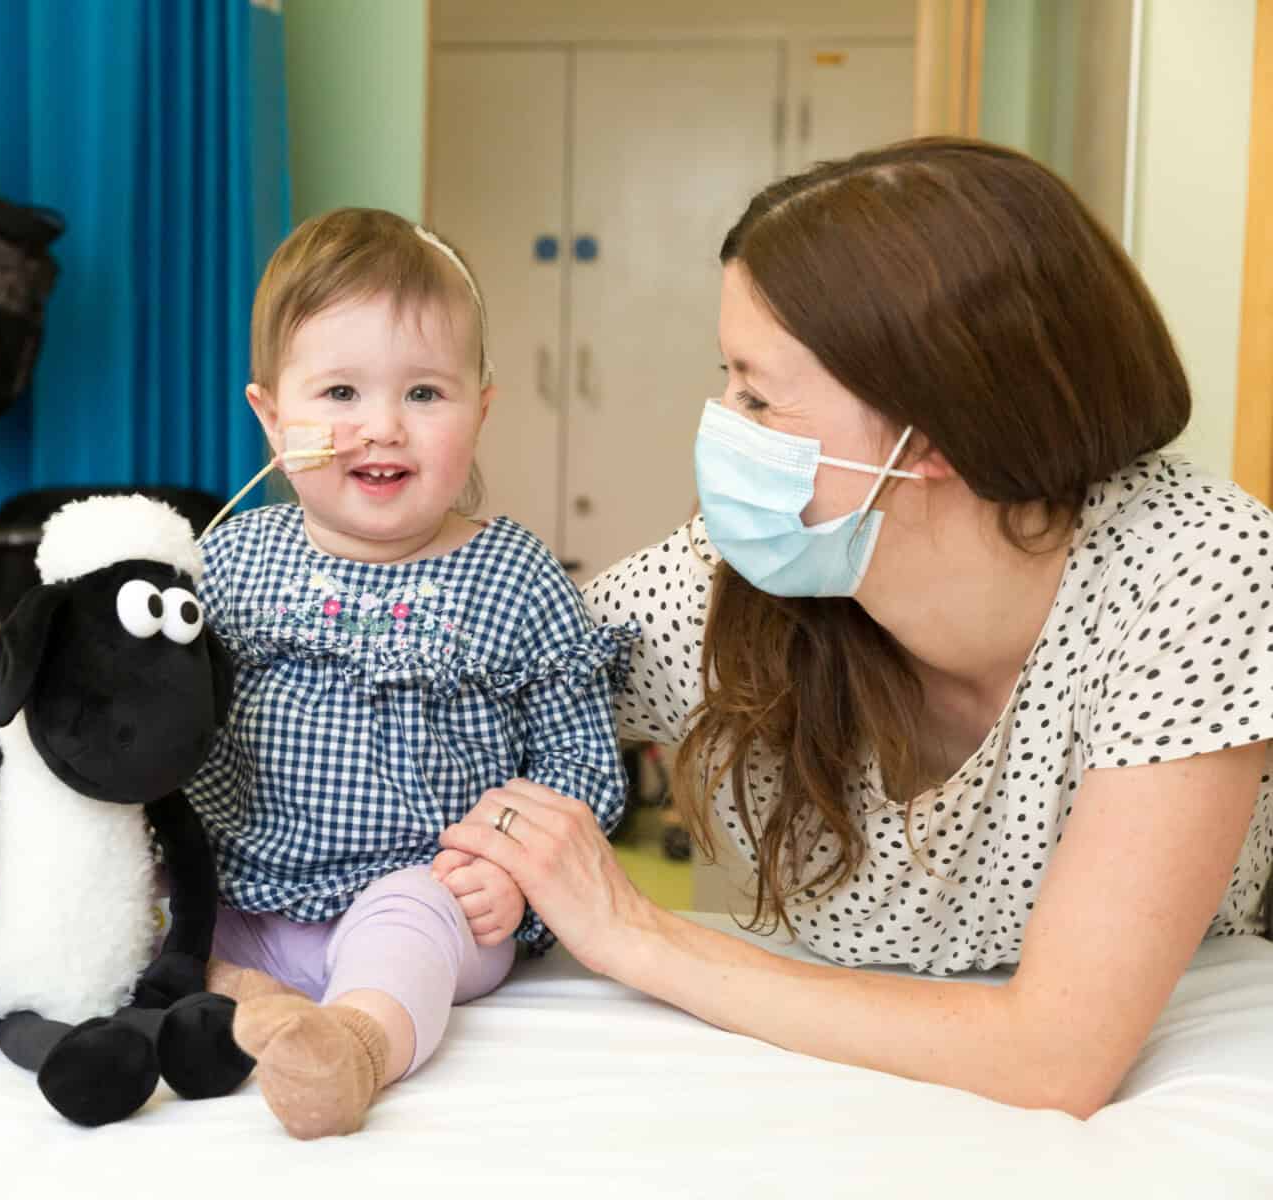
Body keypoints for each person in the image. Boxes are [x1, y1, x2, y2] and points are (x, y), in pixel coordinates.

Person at [438, 137, 1273, 1118]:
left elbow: (1056, 1055)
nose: (723, 425)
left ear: (932, 432)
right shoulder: (727, 579)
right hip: (826, 1086)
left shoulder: (1199, 572)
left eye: (757, 393)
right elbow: (449, 687)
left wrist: (638, 934)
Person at [187, 207, 636, 1138]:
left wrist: (505, 872)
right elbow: (171, 721)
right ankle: (249, 1000)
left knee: (408, 918)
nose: (382, 428)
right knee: (166, 914)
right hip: (250, 892)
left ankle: (353, 1046)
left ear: (481, 407)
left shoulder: (512, 574)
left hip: (430, 899)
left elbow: (579, 762)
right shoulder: (230, 559)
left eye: (426, 395)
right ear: (273, 417)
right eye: (341, 393)